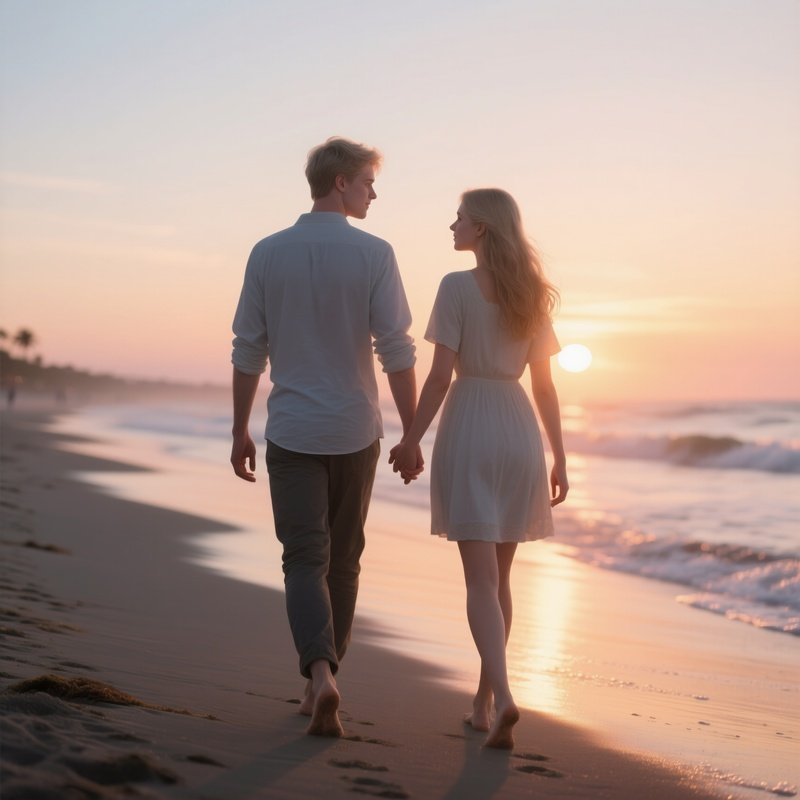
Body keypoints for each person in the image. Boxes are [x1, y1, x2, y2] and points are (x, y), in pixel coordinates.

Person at [230, 137, 421, 738]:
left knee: (303, 560)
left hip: (291, 431)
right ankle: (326, 680)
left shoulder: (267, 252)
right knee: (343, 561)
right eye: (367, 181)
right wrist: (412, 433)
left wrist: (239, 428)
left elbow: (247, 351)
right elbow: (396, 350)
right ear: (340, 182)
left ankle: (319, 676)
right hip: (354, 430)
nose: (373, 192)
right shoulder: (375, 254)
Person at [389, 188, 568, 749]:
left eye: (460, 218)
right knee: (502, 579)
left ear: (483, 229)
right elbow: (544, 385)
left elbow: (440, 376)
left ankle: (505, 697)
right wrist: (560, 454)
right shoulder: (532, 294)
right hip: (518, 431)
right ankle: (483, 703)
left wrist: (410, 440)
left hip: (471, 424)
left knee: (480, 580)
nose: (452, 225)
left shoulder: (455, 287)